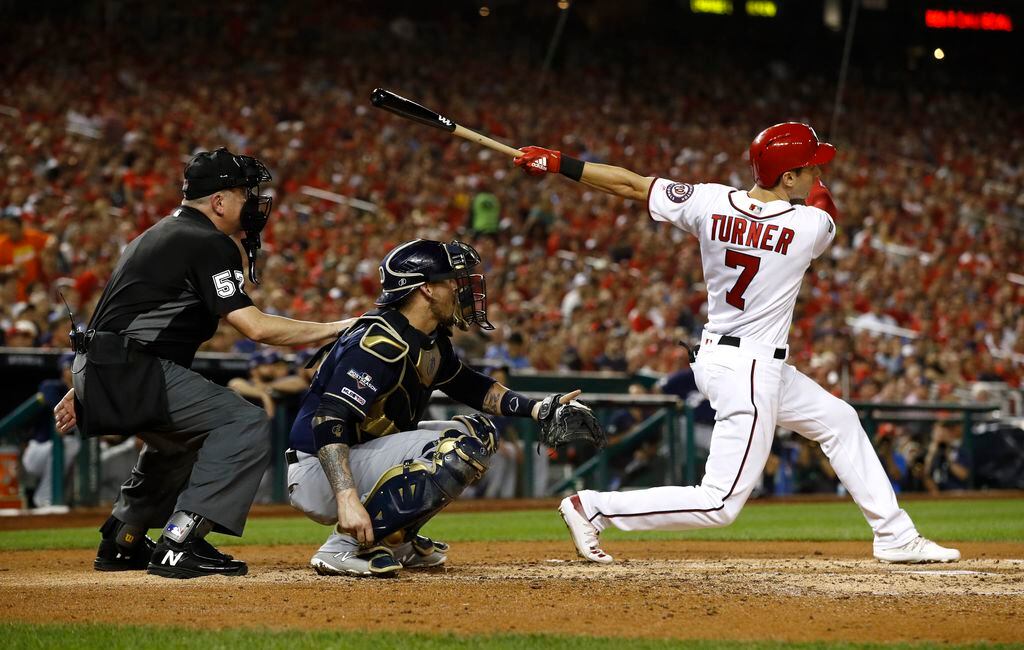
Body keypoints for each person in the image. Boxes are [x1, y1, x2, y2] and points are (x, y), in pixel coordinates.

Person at [515, 122, 960, 564]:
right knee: (718, 504)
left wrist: (560, 163)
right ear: (788, 178)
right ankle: (592, 507)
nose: (816, 176)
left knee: (839, 421)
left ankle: (895, 535)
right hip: (749, 370)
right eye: (809, 169)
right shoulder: (808, 226)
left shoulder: (711, 201)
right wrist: (816, 186)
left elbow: (631, 184)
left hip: (728, 357)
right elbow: (826, 208)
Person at [52, 148, 353, 579]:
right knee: (244, 423)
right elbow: (257, 328)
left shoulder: (156, 234)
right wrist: (340, 326)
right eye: (245, 194)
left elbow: (114, 316)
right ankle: (182, 539)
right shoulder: (208, 241)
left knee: (178, 438)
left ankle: (124, 538)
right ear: (218, 201)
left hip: (109, 365)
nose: (253, 204)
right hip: (130, 368)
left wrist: (86, 383)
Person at [286, 239, 582, 577]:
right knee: (453, 449)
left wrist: (538, 408)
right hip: (320, 470)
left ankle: (397, 538)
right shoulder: (378, 342)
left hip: (359, 457)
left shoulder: (428, 338)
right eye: (451, 281)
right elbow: (329, 419)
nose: (460, 289)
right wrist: (346, 498)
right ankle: (342, 547)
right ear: (426, 289)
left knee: (478, 435)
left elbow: (473, 387)